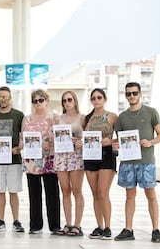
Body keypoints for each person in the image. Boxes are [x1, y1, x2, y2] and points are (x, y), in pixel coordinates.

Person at [113, 82, 160, 243]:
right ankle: (128, 229)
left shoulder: (151, 112)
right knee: (130, 195)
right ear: (125, 96)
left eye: (134, 93)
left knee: (151, 195)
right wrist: (116, 144)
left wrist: (151, 142)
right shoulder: (122, 117)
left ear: (140, 94)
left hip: (146, 161)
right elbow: (119, 140)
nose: (132, 96)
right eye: (128, 94)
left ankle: (156, 230)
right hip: (128, 162)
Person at [0, 86, 25, 233]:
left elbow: (24, 136)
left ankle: (16, 221)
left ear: (10, 98)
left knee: (14, 191)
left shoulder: (19, 115)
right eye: (0, 97)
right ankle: (1, 221)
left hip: (14, 159)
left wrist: (20, 147)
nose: (3, 100)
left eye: (5, 97)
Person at [21, 89, 61, 234]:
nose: (38, 103)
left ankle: (55, 225)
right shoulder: (27, 119)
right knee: (34, 193)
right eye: (35, 101)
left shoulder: (54, 117)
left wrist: (50, 143)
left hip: (50, 158)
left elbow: (60, 137)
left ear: (47, 101)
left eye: (41, 100)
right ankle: (35, 225)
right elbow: (22, 138)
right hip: (32, 159)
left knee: (52, 193)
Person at [83, 88, 118, 240]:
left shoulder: (112, 117)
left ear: (105, 99)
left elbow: (120, 137)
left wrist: (110, 141)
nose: (96, 100)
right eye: (93, 98)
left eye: (99, 97)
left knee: (103, 192)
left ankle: (108, 227)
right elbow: (85, 137)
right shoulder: (87, 118)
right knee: (95, 194)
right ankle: (99, 226)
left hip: (106, 156)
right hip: (90, 157)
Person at [53, 90, 85, 237]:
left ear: (75, 101)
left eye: (70, 100)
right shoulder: (57, 118)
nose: (67, 103)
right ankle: (68, 223)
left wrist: (80, 142)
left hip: (76, 157)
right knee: (65, 190)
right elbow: (53, 137)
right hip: (61, 157)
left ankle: (78, 225)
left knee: (77, 191)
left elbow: (87, 138)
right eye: (64, 100)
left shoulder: (82, 118)